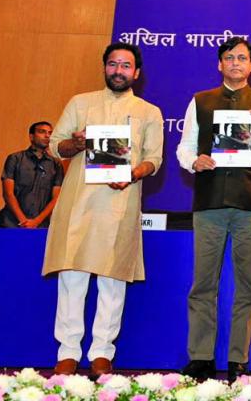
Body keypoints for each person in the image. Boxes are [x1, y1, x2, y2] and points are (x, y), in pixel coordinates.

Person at [42, 42, 164, 378]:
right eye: (113, 64)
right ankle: (67, 353)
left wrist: (132, 172)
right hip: (78, 203)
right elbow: (56, 147)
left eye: (126, 66)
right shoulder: (80, 103)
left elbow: (154, 159)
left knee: (113, 281)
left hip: (120, 204)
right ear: (105, 67)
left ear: (136, 73)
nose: (118, 71)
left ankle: (101, 354)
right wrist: (77, 143)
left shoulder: (148, 112)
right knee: (73, 277)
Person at [176, 37, 251, 382]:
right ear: (219, 64)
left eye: (242, 58)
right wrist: (196, 161)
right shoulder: (201, 101)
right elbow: (184, 148)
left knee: (247, 286)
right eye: (229, 57)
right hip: (209, 202)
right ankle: (201, 358)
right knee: (203, 284)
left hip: (249, 205)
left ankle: (239, 359)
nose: (236, 63)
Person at [0, 121, 64, 228]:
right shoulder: (15, 159)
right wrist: (23, 221)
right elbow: (8, 193)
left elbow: (56, 198)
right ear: (31, 136)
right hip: (11, 223)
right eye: (42, 132)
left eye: (50, 133)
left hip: (40, 225)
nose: (47, 136)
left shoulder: (56, 164)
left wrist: (36, 221)